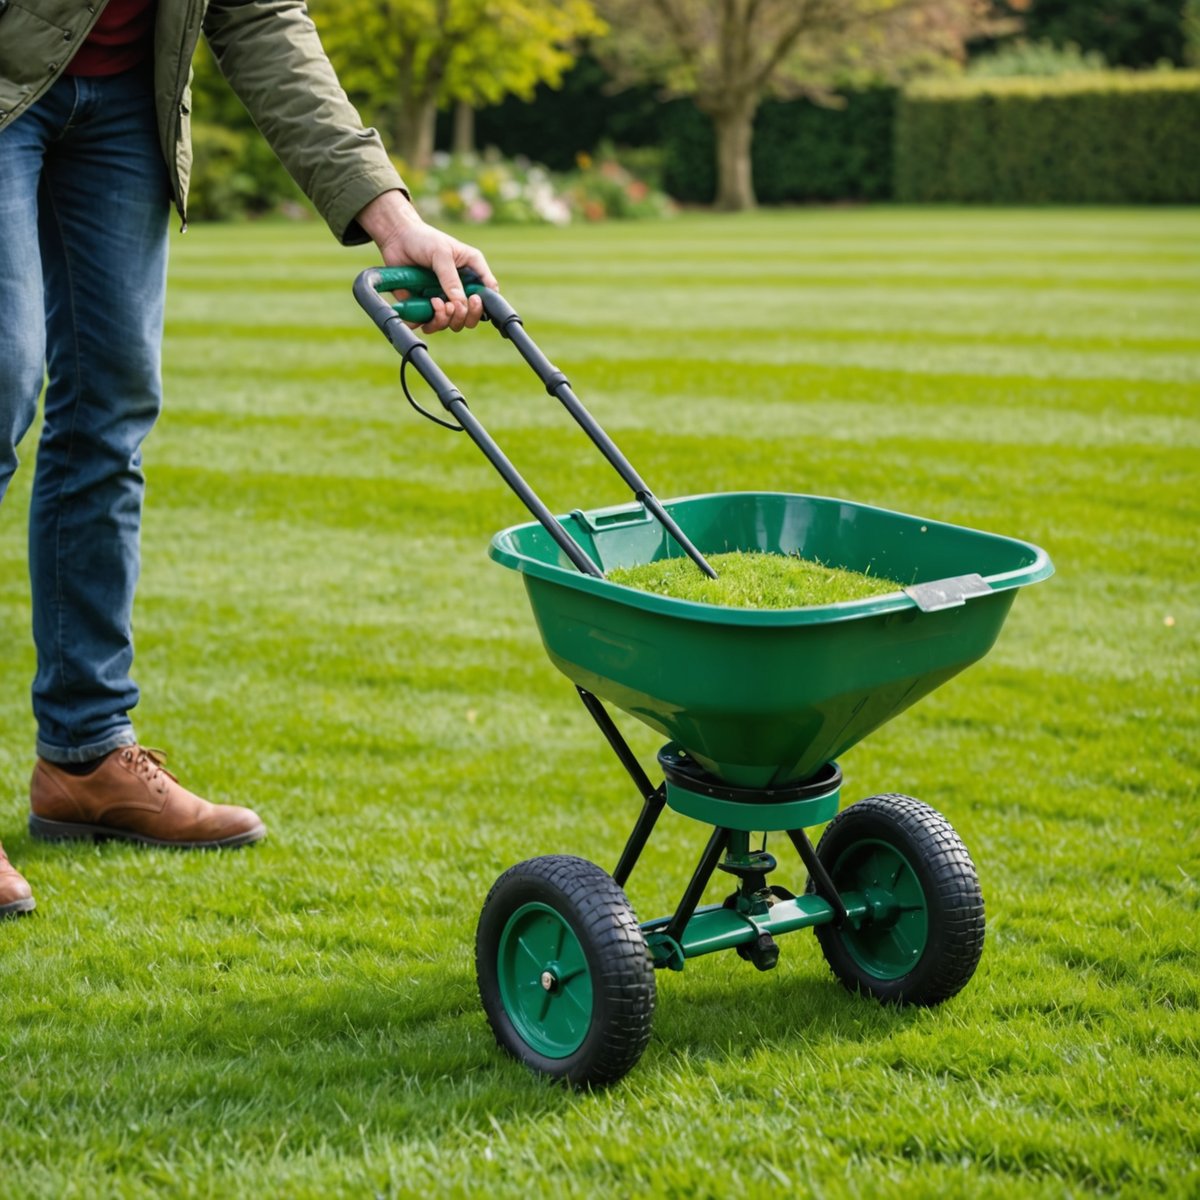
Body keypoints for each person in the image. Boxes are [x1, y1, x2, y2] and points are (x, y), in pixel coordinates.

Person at [0, 0, 497, 916]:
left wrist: (391, 216)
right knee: (2, 372)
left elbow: (262, 17)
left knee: (111, 410)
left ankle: (85, 755)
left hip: (123, 101)